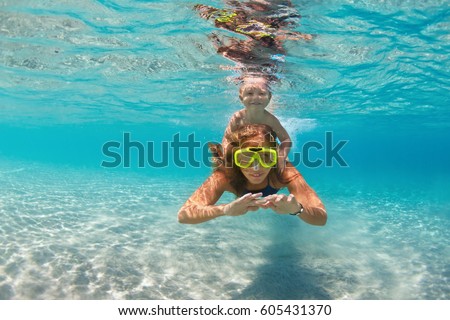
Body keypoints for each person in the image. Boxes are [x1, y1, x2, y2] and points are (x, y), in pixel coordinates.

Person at [178, 124, 327, 226]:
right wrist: (224, 209)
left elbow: (321, 217)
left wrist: (297, 209)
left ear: (275, 157)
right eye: (245, 158)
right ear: (236, 160)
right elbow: (183, 215)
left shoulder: (283, 171)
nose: (256, 168)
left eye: (266, 157)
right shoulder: (225, 175)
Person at [222, 76, 292, 173]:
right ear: (241, 97)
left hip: (269, 149)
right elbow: (227, 138)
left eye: (262, 93)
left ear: (270, 97)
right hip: (246, 150)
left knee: (285, 169)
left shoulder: (271, 120)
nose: (256, 97)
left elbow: (286, 140)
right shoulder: (237, 117)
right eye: (250, 93)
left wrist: (281, 157)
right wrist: (226, 156)